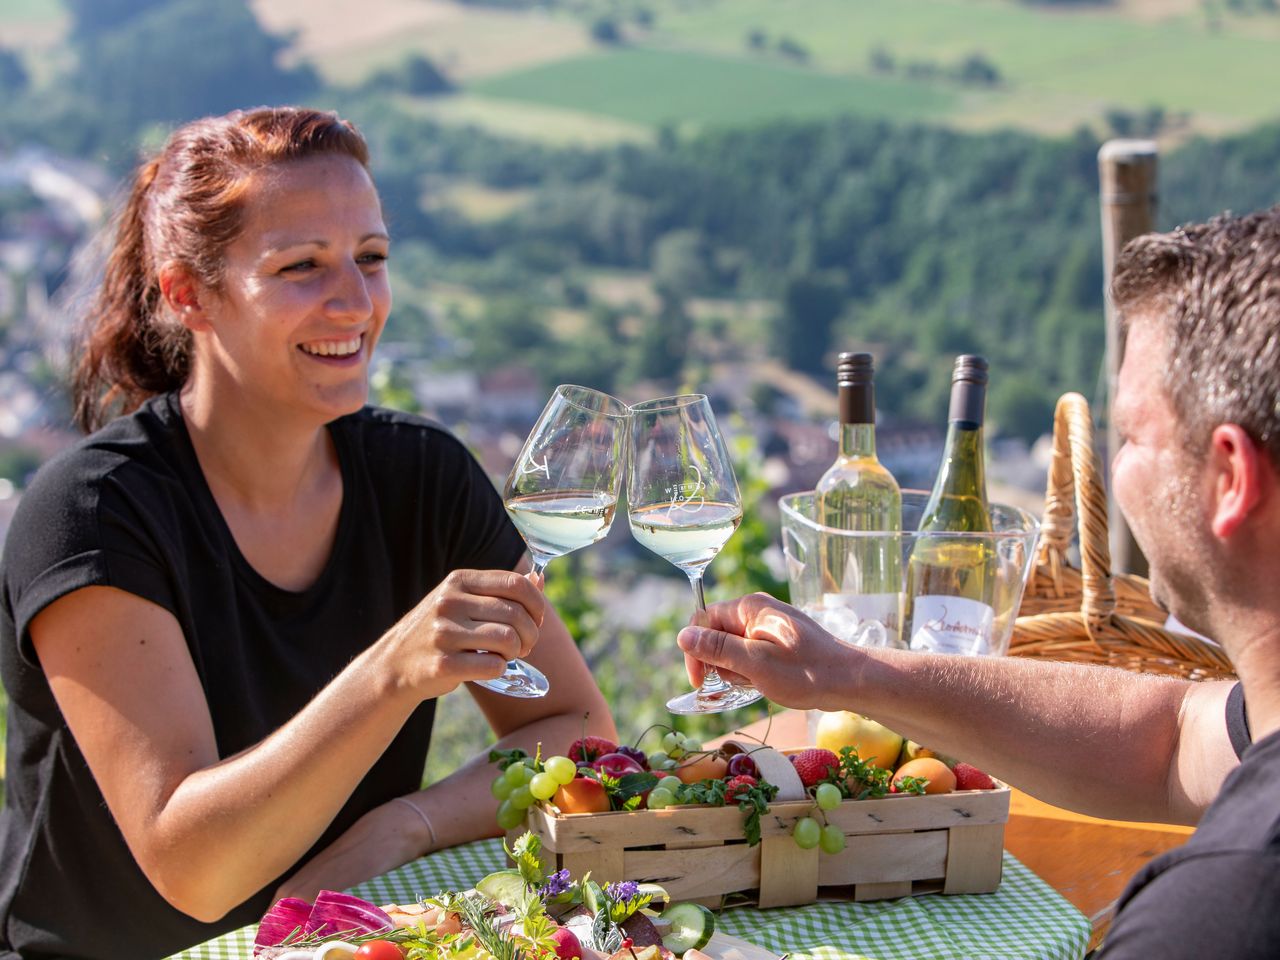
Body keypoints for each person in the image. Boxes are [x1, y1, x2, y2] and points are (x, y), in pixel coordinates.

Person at [0, 107, 614, 960]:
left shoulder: (422, 479)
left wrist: (408, 823)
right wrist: (391, 675)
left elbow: (578, 726)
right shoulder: (93, 514)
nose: (356, 303)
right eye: (301, 267)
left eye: (371, 258)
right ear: (189, 295)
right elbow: (198, 871)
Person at [677, 207, 1280, 958]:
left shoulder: (1219, 914)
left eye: (1131, 437)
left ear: (1229, 477)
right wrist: (847, 673)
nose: (1117, 468)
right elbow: (1169, 742)